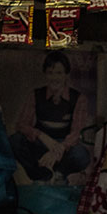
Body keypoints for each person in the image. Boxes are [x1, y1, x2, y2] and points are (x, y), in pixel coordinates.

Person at [12, 51, 92, 181]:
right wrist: (42, 136)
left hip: (64, 148)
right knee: (15, 141)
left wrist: (58, 149)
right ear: (45, 74)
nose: (54, 78)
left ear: (66, 75)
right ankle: (39, 174)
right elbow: (21, 125)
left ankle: (60, 174)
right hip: (41, 144)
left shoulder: (78, 98)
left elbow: (77, 132)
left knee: (81, 155)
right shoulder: (35, 95)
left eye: (59, 73)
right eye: (50, 73)